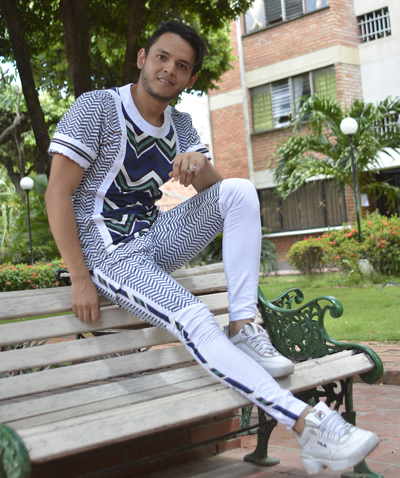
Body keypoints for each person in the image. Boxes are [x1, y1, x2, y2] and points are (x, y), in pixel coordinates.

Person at [45, 20, 379, 475]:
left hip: (153, 238)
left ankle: (243, 325)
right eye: (161, 57)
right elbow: (57, 193)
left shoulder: (180, 124)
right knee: (197, 317)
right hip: (108, 252)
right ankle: (308, 426)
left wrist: (200, 163)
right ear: (143, 58)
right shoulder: (97, 107)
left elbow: (218, 195)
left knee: (240, 190)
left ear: (190, 78)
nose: (169, 69)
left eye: (182, 66)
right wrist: (81, 277)